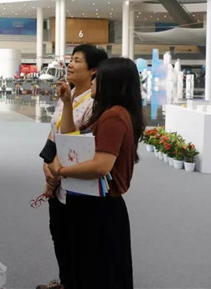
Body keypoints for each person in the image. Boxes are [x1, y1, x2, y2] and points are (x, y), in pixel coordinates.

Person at [46, 57, 145, 289]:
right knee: (88, 268)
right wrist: (68, 103)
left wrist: (60, 170)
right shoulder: (106, 113)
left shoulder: (114, 116)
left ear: (111, 82)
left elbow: (101, 165)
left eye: (96, 78)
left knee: (97, 272)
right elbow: (71, 138)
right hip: (93, 205)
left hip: (100, 208)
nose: (92, 82)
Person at [37, 44, 107, 289]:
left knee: (78, 240)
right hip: (56, 175)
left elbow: (80, 143)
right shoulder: (68, 92)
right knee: (59, 234)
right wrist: (47, 167)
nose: (70, 65)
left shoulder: (96, 103)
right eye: (71, 59)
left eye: (78, 60)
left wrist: (57, 171)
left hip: (76, 180)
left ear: (93, 70)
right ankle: (65, 281)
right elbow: (54, 132)